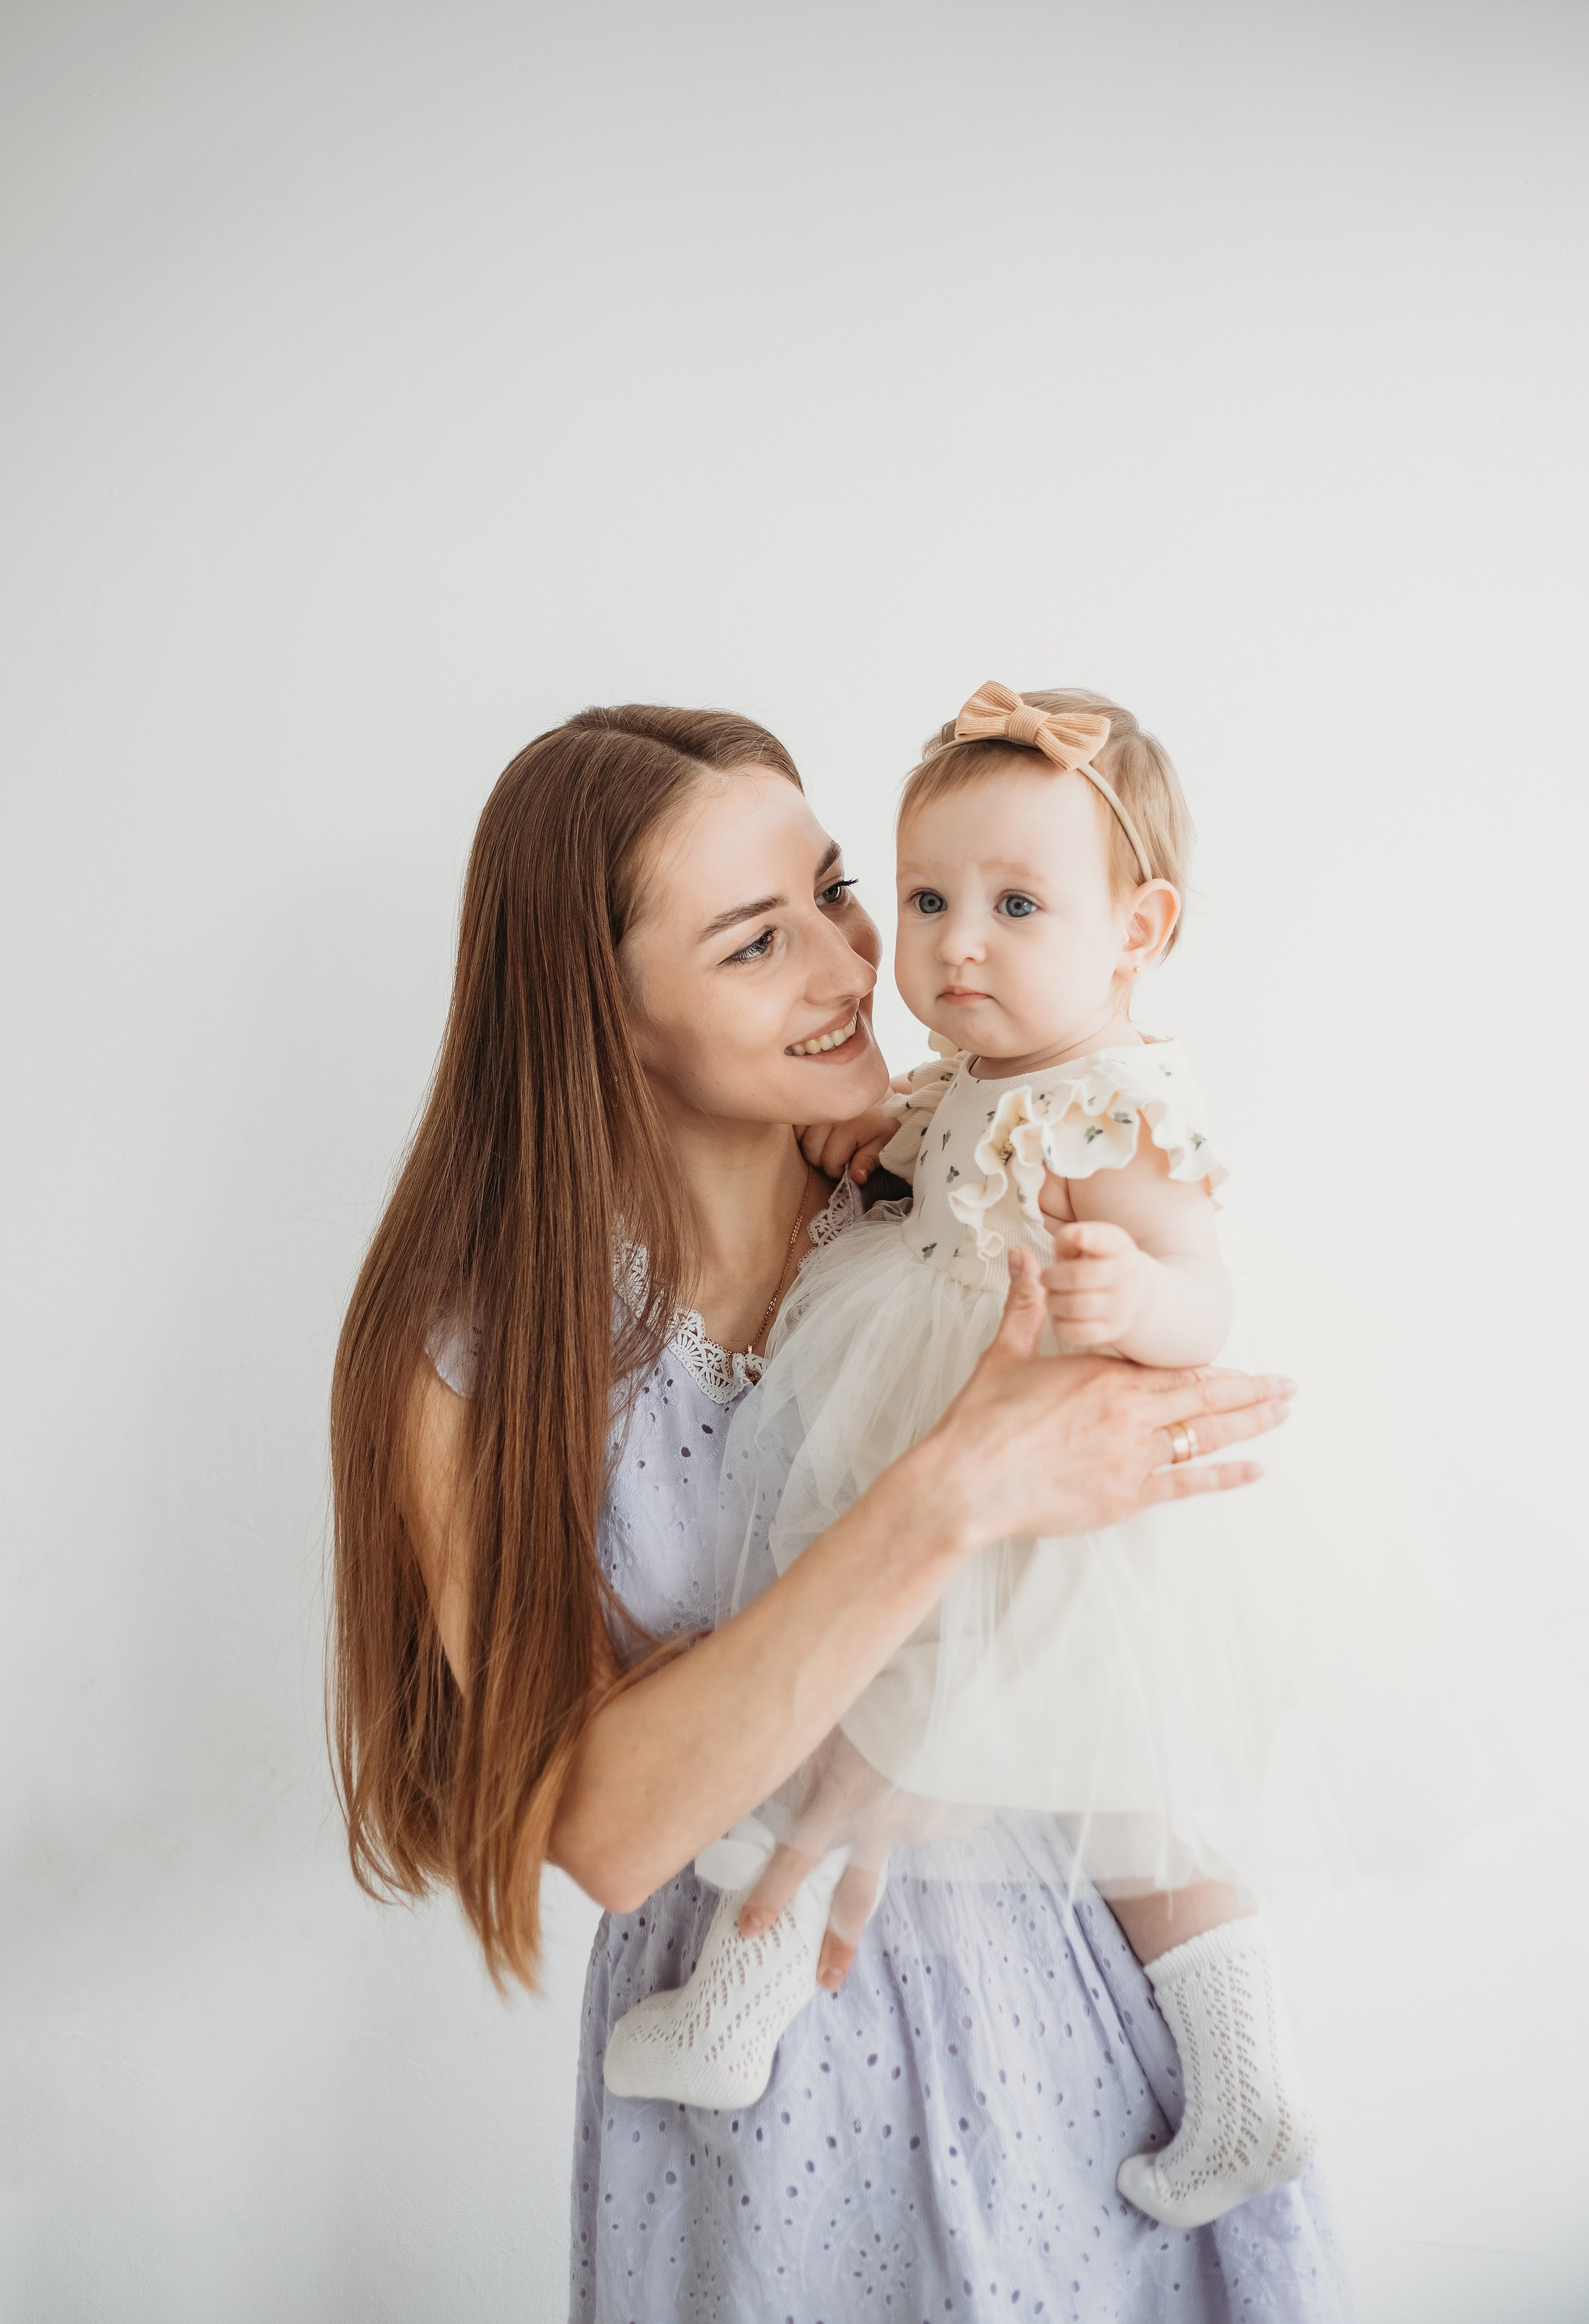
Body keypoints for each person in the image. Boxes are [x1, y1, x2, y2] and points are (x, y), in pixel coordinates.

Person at [329, 703, 1351, 2321]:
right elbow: (607, 1824)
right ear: (606, 1013)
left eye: (834, 892)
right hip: (763, 2083)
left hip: (1056, 2009)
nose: (856, 963)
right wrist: (949, 1495)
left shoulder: (953, 1205)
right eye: (756, 943)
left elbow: (1147, 1546)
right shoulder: (475, 1364)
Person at [605, 683, 1338, 2231]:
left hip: (1059, 1527)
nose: (950, 947)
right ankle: (1236, 2080)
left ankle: (748, 2009)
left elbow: (1205, 1289)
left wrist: (1138, 1298)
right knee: (1043, 1794)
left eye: (1014, 905)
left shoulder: (1122, 1106)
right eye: (928, 895)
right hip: (964, 1488)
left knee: (963, 1784)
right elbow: (928, 1180)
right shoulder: (953, 1091)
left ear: (1136, 932)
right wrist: (869, 1150)